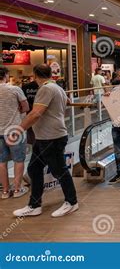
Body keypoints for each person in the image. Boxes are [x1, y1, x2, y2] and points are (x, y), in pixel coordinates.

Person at [13, 64, 78, 217]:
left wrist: (18, 129)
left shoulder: (46, 89)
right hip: (44, 137)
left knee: (59, 171)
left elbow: (36, 113)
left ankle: (72, 202)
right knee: (34, 169)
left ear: (35, 75)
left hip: (51, 137)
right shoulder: (57, 88)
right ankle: (34, 205)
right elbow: (67, 102)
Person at [0, 67, 30, 199]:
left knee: (1, 162)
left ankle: (5, 191)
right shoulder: (14, 89)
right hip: (14, 130)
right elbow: (26, 107)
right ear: (6, 76)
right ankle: (17, 189)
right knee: (19, 160)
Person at [21, 77, 39, 145]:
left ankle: (33, 146)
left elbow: (22, 101)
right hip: (42, 115)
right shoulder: (45, 87)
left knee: (31, 134)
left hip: (29, 114)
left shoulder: (25, 86)